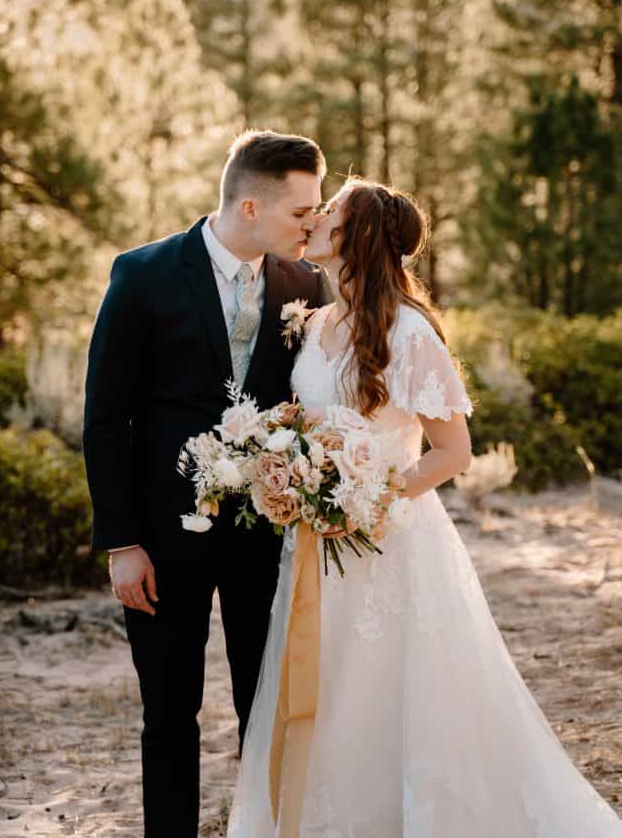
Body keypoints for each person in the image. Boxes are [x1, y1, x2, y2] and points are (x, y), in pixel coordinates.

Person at [228, 178, 622, 837]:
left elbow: (452, 451)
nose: (317, 217)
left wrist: (366, 500)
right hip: (317, 549)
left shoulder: (408, 333)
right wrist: (290, 469)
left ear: (358, 238)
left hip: (390, 543)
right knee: (329, 691)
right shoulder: (318, 322)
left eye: (332, 211)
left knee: (396, 692)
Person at [82, 130, 327, 838]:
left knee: (266, 709)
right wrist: (121, 541)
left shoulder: (302, 285)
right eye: (300, 212)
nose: (310, 225)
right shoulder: (143, 273)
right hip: (161, 541)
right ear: (250, 206)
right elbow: (105, 418)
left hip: (264, 537)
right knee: (168, 713)